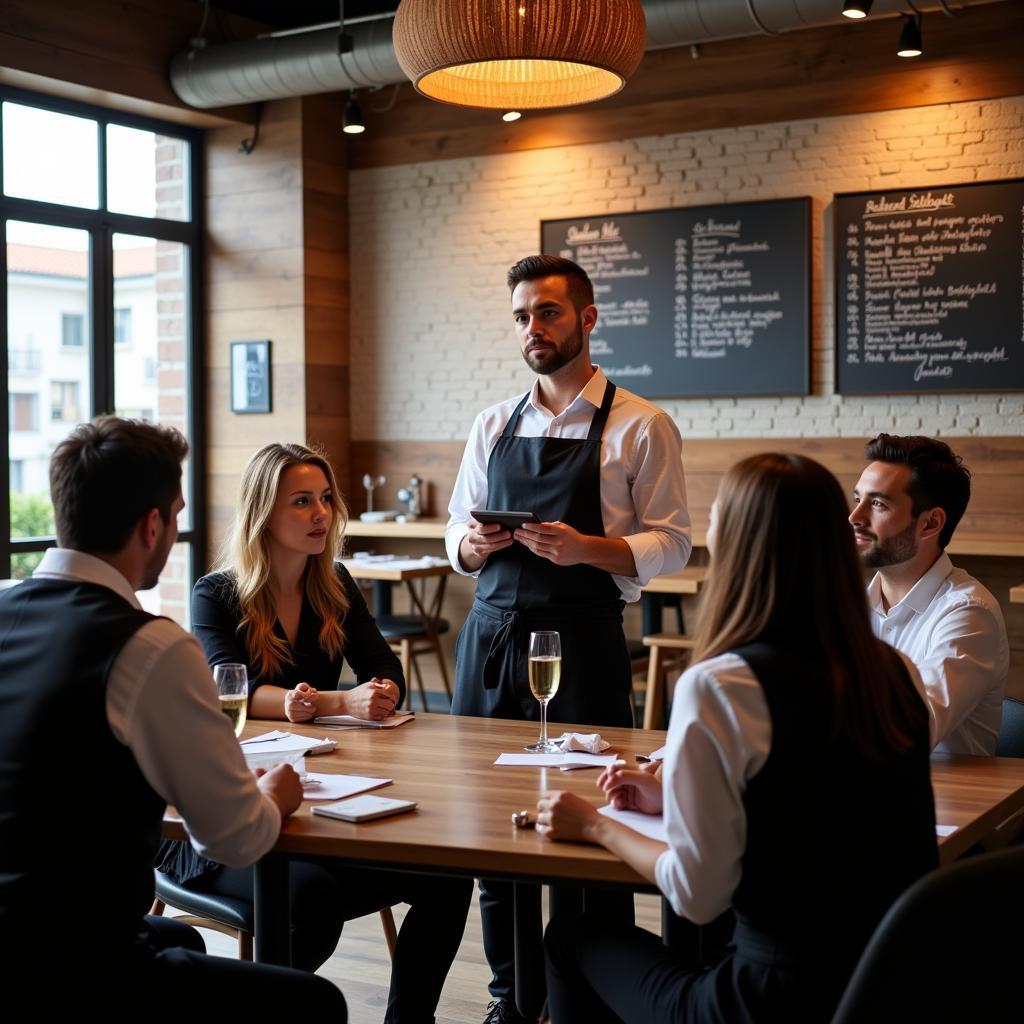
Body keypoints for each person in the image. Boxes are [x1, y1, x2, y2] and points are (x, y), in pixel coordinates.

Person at [538, 453, 938, 1024]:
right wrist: (675, 793)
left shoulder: (721, 686)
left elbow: (698, 894)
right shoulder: (894, 672)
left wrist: (595, 824)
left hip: (768, 1002)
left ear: (736, 546)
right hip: (886, 988)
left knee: (572, 936)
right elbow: (812, 805)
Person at [0, 417, 346, 1018]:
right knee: (315, 1004)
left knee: (180, 939)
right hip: (70, 964)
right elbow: (237, 839)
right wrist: (277, 795)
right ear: (153, 524)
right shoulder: (148, 648)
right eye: (176, 512)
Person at [446, 254, 692, 1022]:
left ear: (587, 319)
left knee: (598, 823)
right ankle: (509, 1001)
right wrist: (472, 548)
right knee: (493, 834)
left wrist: (587, 548)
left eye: (548, 312)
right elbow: (457, 527)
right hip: (489, 643)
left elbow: (674, 543)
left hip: (581, 643)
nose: (533, 328)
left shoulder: (641, 425)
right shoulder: (493, 423)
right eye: (522, 315)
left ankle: (590, 1004)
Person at [158, 442, 472, 1023]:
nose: (321, 514)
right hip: (218, 813)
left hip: (319, 800)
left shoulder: (335, 584)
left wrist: (381, 693)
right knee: (311, 899)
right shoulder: (217, 594)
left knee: (447, 874)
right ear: (263, 515)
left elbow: (387, 666)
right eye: (301, 502)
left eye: (325, 499)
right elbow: (230, 690)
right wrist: (331, 700)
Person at [850, 434, 1009, 755]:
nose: (855, 518)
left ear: (930, 523)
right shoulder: (847, 605)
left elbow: (908, 730)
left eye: (878, 504)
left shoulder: (968, 613)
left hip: (946, 803)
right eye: (858, 500)